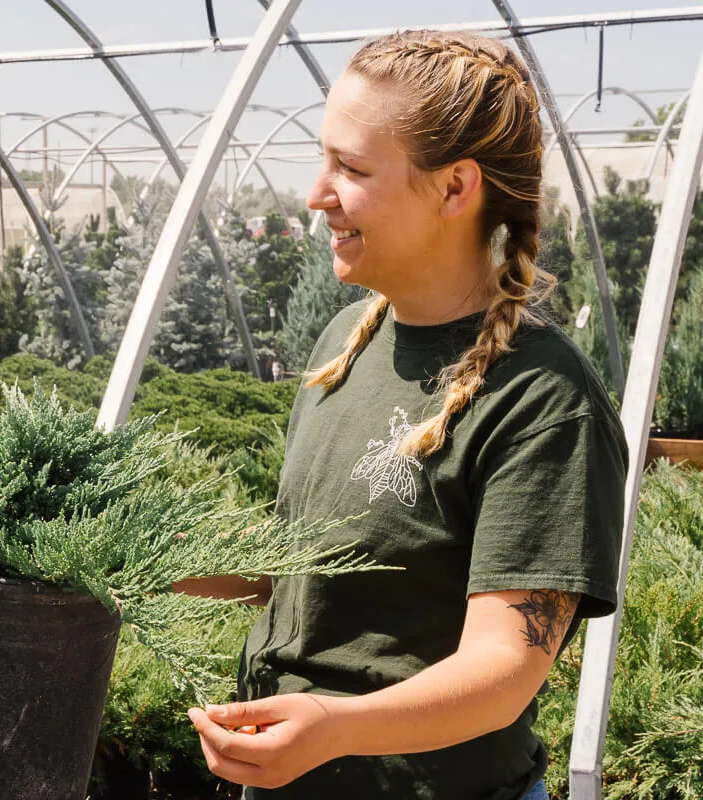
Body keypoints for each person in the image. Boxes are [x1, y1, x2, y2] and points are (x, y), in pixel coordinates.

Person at [183, 31, 626, 799]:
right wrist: (113, 554)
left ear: (456, 188)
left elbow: (502, 672)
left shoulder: (543, 399)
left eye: (350, 169)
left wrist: (335, 728)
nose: (317, 193)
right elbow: (300, 564)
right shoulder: (346, 344)